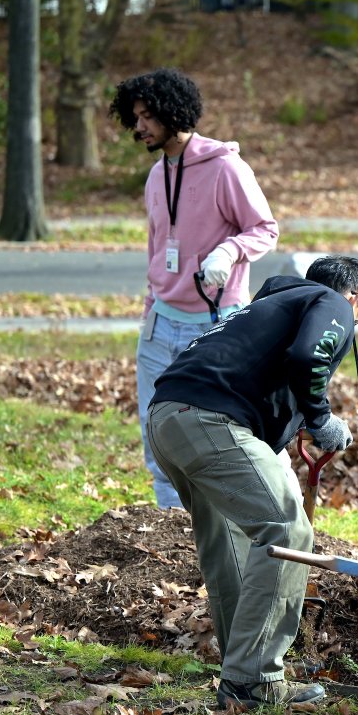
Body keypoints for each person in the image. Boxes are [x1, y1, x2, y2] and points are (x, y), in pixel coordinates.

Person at [145, 255, 358, 710]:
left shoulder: (266, 307)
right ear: (356, 297)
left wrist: (290, 424)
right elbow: (308, 356)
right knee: (288, 531)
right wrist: (321, 419)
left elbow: (255, 374)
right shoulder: (333, 302)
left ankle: (241, 672)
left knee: (227, 543)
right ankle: (256, 679)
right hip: (211, 421)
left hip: (167, 418)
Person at [108, 68, 280, 509]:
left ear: (173, 112)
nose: (140, 127)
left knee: (216, 441)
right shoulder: (156, 175)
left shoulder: (225, 167)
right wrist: (149, 314)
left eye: (147, 116)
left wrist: (228, 251)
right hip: (159, 326)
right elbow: (155, 252)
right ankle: (172, 528)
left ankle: (229, 524)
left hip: (215, 326)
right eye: (135, 118)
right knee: (157, 437)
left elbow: (265, 229)